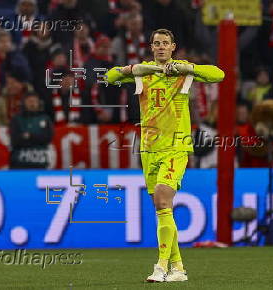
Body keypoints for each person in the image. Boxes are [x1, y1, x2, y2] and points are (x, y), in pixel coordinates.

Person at [105, 28, 224, 282]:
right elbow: (110, 76)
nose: (160, 47)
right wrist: (131, 70)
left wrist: (188, 68)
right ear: (151, 47)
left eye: (165, 43)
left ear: (173, 47)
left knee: (161, 200)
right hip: (148, 149)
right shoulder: (143, 72)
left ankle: (160, 266)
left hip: (176, 147)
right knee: (163, 208)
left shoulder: (181, 72)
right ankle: (178, 268)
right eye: (156, 43)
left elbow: (219, 74)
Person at [9, 92, 53, 169]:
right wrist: (37, 139)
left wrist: (29, 136)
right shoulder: (16, 119)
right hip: (20, 162)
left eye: (35, 101)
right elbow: (15, 140)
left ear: (39, 103)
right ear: (24, 103)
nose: (32, 104)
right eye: (29, 101)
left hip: (40, 162)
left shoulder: (45, 119)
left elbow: (47, 138)